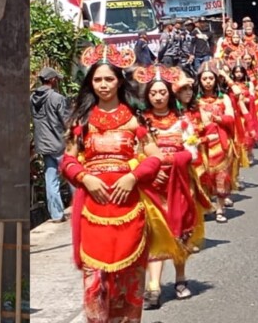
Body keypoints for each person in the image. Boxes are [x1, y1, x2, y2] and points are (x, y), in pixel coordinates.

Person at [59, 45, 161, 323]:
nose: (103, 85)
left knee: (129, 286)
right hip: (93, 211)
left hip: (129, 210)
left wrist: (132, 177)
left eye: (109, 79)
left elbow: (155, 158)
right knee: (95, 287)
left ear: (119, 81)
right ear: (90, 83)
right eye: (97, 79)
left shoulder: (135, 118)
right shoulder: (81, 120)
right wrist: (85, 177)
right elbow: (67, 161)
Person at [136, 66, 204, 309]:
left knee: (180, 231)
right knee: (155, 232)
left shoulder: (183, 120)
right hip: (153, 185)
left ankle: (180, 278)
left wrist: (174, 161)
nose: (158, 97)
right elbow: (136, 153)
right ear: (148, 96)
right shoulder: (141, 122)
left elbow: (193, 152)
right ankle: (153, 288)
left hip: (180, 184)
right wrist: (153, 171)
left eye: (162, 92)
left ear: (169, 94)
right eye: (153, 93)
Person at [194, 65, 238, 223]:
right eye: (204, 79)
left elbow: (231, 118)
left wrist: (218, 119)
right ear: (199, 81)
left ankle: (220, 208)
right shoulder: (195, 101)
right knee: (203, 176)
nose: (207, 82)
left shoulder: (223, 98)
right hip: (202, 143)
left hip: (221, 142)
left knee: (221, 176)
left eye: (211, 78)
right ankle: (206, 205)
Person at [32, 67, 71, 224]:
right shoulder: (57, 98)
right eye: (57, 79)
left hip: (44, 145)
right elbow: (66, 121)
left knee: (51, 179)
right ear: (52, 80)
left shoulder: (32, 98)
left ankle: (56, 215)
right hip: (59, 143)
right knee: (73, 175)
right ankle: (82, 208)